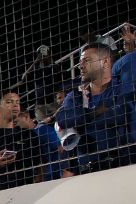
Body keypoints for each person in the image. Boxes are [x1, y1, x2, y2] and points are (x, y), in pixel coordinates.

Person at [55, 42, 135, 172]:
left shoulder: (123, 89)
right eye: (80, 61)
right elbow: (63, 119)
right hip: (86, 172)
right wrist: (98, 112)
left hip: (122, 167)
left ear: (105, 62)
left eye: (86, 60)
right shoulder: (75, 95)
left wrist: (81, 120)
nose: (80, 66)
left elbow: (117, 115)